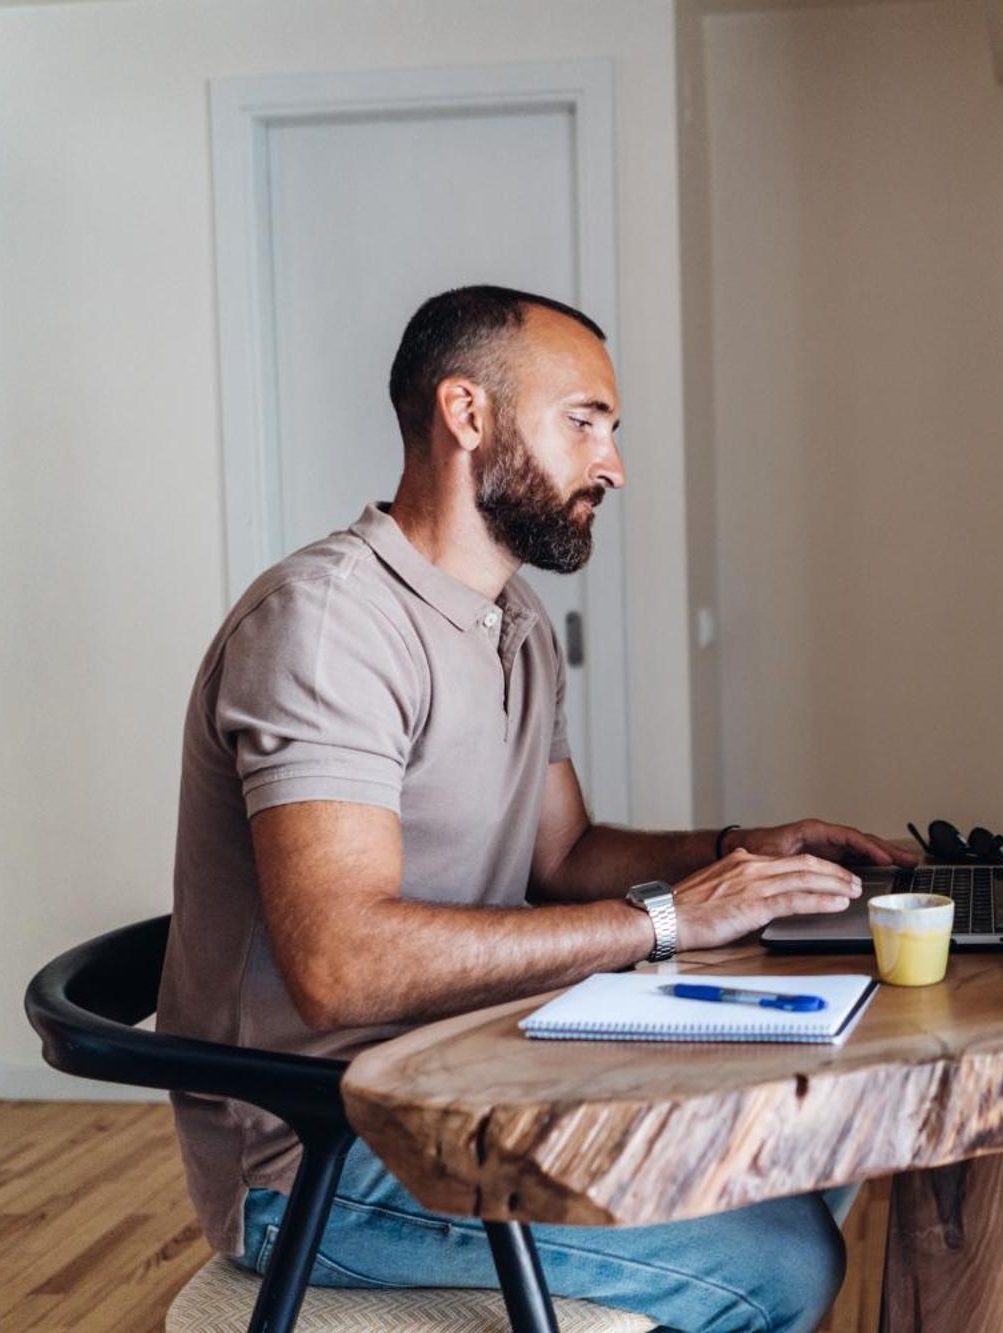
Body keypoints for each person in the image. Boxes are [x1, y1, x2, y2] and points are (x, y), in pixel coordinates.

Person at [157, 285, 915, 1332]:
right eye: (584, 422)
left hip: (471, 1077)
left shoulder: (513, 619)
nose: (612, 463)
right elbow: (339, 966)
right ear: (466, 415)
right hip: (319, 1151)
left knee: (809, 1153)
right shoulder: (328, 626)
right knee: (779, 1260)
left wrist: (742, 850)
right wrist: (663, 922)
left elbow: (561, 854)